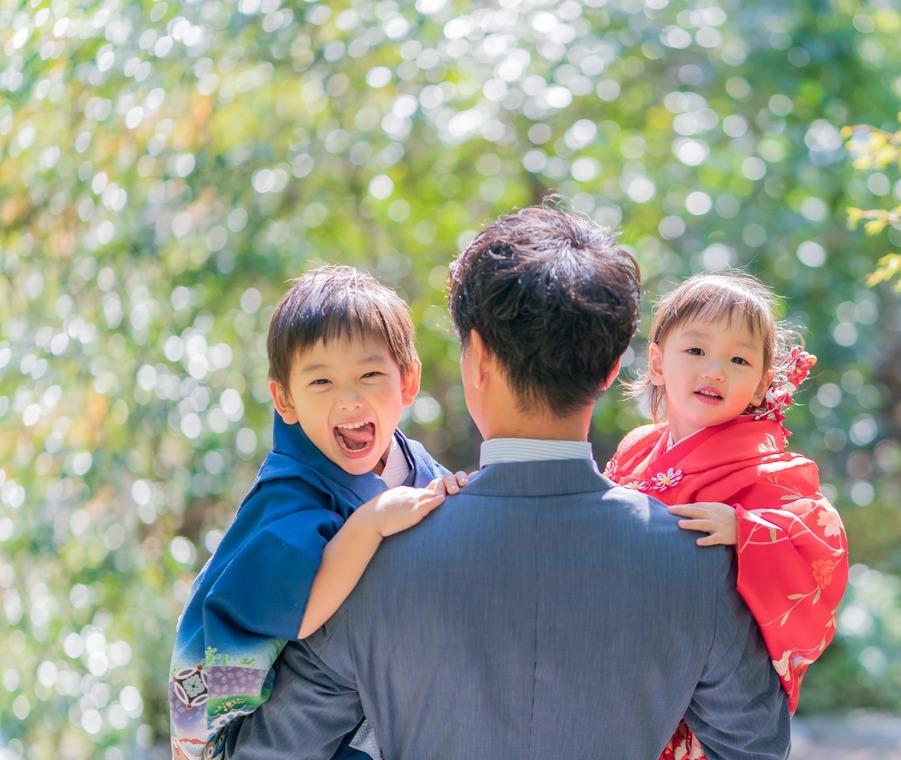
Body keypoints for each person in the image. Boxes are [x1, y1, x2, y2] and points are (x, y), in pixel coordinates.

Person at [225, 205, 791, 759]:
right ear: (611, 367)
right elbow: (758, 748)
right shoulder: (697, 561)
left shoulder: (369, 558)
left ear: (477, 358)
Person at [169, 265, 464, 760]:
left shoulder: (414, 463)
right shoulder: (289, 492)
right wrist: (370, 523)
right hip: (256, 719)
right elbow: (304, 610)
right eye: (321, 381)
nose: (350, 400)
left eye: (370, 375)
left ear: (408, 380)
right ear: (284, 399)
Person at [604, 272, 849, 760]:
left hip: (707, 702)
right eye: (696, 350)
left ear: (761, 385)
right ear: (658, 363)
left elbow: (822, 544)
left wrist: (747, 530)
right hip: (625, 678)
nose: (715, 370)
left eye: (739, 360)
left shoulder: (771, 470)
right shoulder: (636, 449)